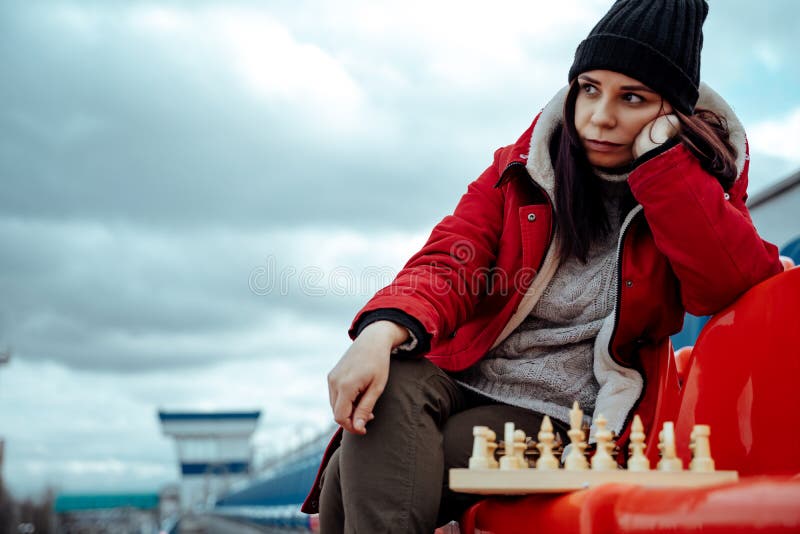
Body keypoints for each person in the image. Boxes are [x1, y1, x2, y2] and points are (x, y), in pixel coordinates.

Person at [302, 0, 784, 532]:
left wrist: (665, 168)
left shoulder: (699, 186)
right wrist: (379, 332)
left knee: (366, 465)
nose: (600, 116)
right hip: (470, 376)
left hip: (574, 417)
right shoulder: (522, 166)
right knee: (386, 389)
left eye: (632, 98)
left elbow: (725, 283)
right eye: (590, 88)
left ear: (670, 113)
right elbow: (452, 255)